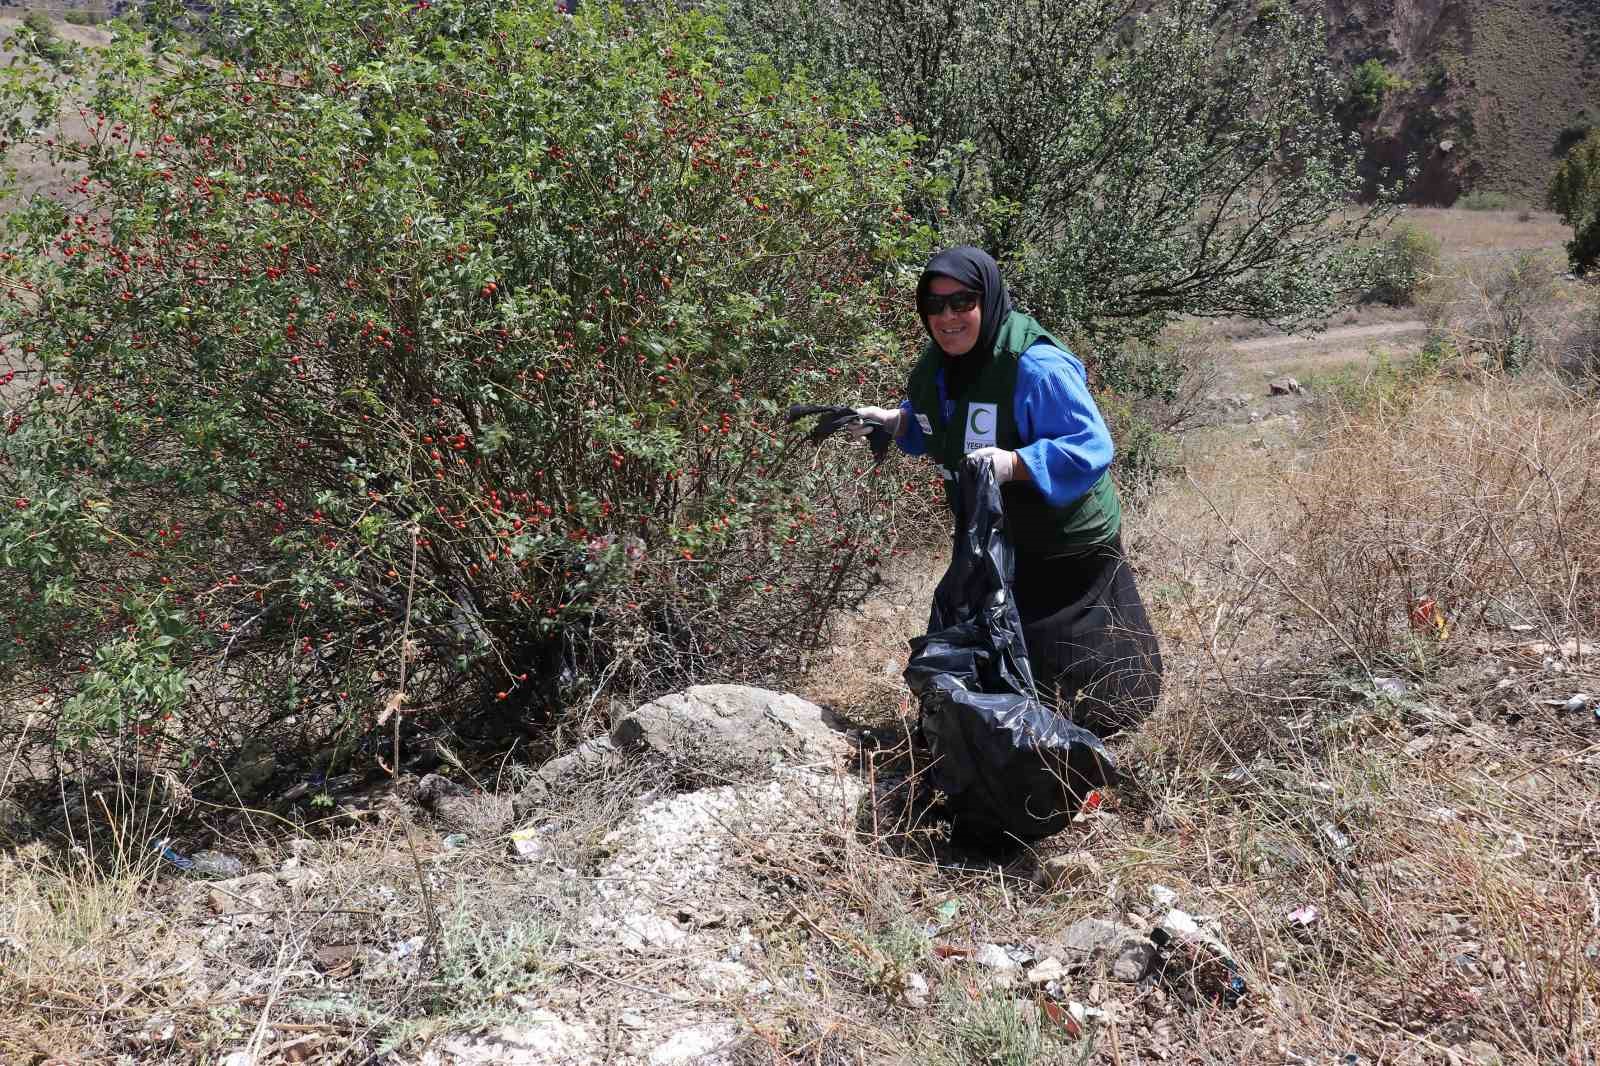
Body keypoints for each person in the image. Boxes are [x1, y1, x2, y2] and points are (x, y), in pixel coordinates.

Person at [852, 246, 1162, 737]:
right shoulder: (940, 367)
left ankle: (1109, 733)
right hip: (1003, 538)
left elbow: (1091, 445)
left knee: (1082, 656)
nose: (947, 316)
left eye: (961, 302)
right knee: (1016, 651)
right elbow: (942, 427)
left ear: (988, 299)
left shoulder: (1034, 366)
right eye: (934, 305)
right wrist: (893, 422)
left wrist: (1015, 463)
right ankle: (1030, 739)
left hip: (1067, 543)